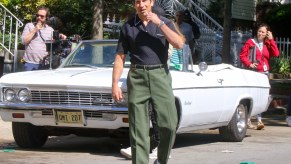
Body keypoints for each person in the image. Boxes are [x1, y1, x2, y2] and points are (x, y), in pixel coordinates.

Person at [112, 0, 184, 163]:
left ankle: (162, 159)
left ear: (151, 2)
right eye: (137, 2)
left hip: (160, 75)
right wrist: (115, 84)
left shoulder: (164, 22)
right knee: (138, 128)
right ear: (134, 4)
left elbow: (179, 43)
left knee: (169, 124)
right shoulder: (128, 27)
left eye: (144, 0)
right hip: (137, 76)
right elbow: (120, 57)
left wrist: (160, 24)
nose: (141, 5)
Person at [240, 23, 280, 130]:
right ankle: (248, 119)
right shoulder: (251, 42)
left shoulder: (267, 44)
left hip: (264, 72)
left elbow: (276, 54)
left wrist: (271, 40)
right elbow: (242, 56)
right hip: (254, 72)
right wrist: (249, 64)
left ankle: (259, 120)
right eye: (259, 31)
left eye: (263, 32)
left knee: (263, 96)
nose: (260, 33)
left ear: (267, 33)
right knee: (252, 95)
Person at [21, 6, 66, 71]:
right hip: (30, 63)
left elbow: (55, 39)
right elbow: (24, 41)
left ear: (46, 18)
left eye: (42, 16)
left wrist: (61, 36)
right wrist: (35, 30)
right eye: (37, 15)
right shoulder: (29, 26)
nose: (39, 18)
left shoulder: (49, 29)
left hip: (44, 64)